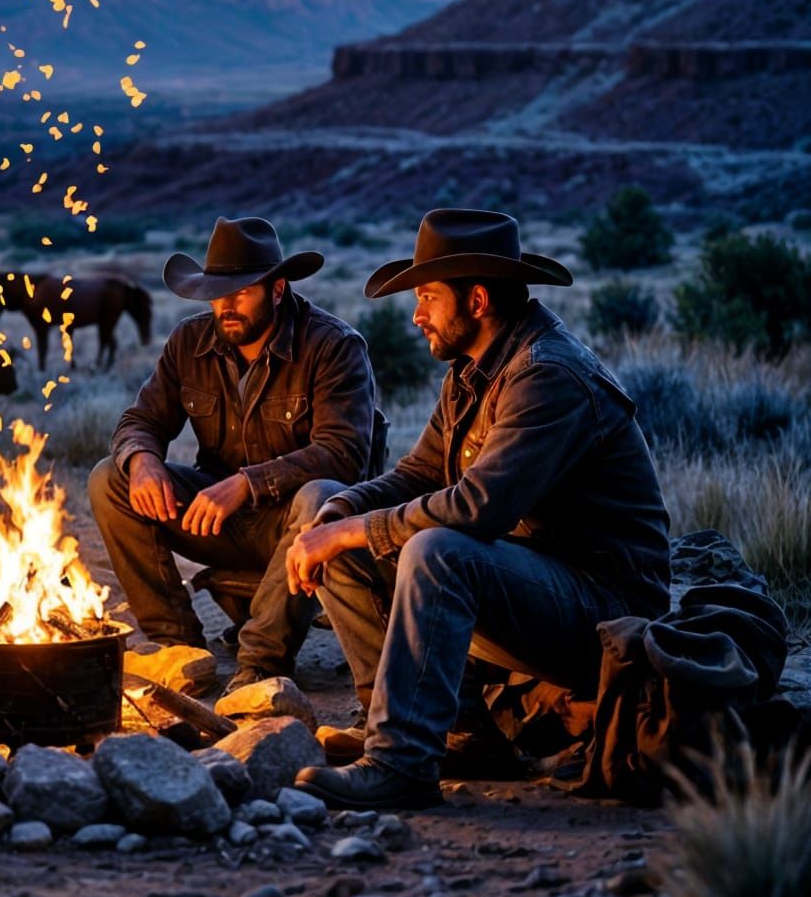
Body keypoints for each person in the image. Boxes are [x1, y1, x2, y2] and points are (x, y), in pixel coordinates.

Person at [288, 209, 671, 811]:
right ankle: (446, 733)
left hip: (604, 610)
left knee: (438, 551)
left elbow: (476, 510)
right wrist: (341, 509)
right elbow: (418, 475)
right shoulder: (472, 372)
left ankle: (401, 763)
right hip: (533, 583)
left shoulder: (547, 376)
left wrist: (352, 532)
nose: (416, 316)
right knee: (322, 506)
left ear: (478, 300)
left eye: (427, 298)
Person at [89, 216, 379, 690]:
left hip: (298, 525)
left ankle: (260, 666)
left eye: (241, 292)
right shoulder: (189, 342)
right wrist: (143, 461)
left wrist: (248, 483)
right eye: (216, 293)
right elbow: (141, 421)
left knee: (321, 496)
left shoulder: (333, 347)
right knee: (110, 478)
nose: (226, 306)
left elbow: (343, 454)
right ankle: (177, 648)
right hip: (216, 519)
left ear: (278, 289)